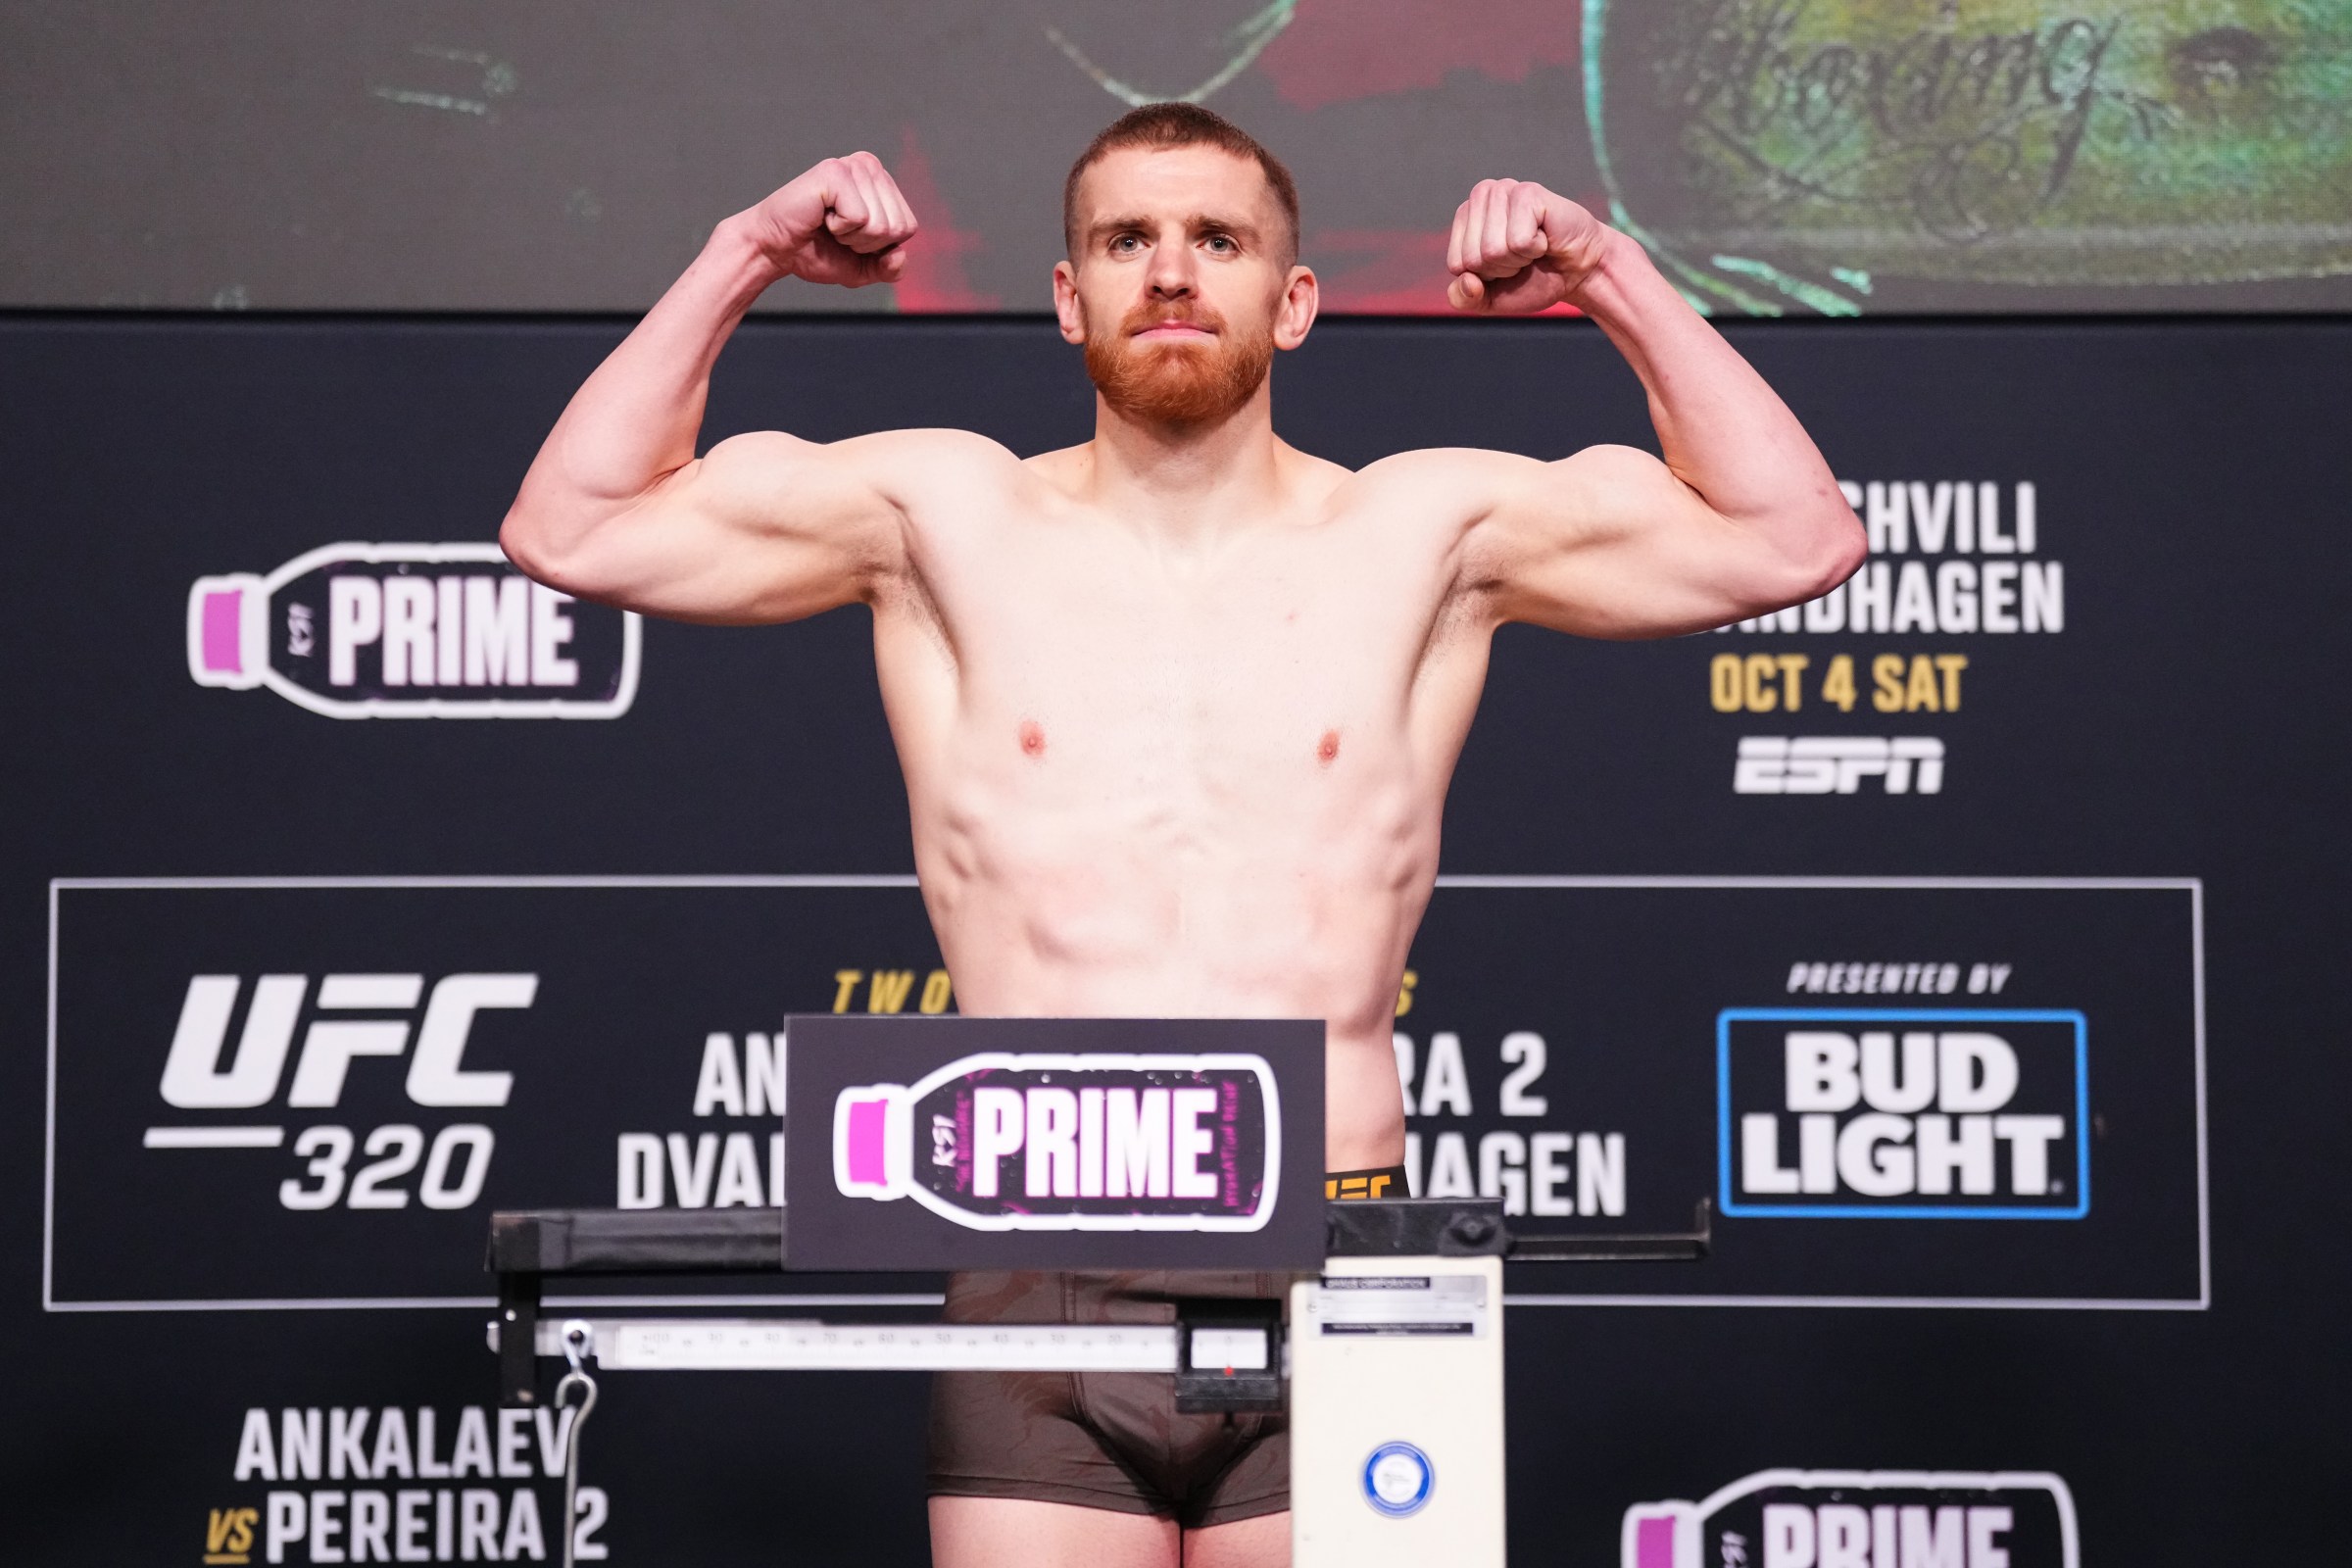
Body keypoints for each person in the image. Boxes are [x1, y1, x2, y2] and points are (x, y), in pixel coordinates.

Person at [502, 103, 1863, 1568]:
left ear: (1292, 306)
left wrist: (1605, 269)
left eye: (1216, 240)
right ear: (1067, 295)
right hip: (1037, 1258)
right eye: (1127, 239)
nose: (1170, 271)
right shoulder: (937, 518)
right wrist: (746, 249)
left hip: (1346, 1259)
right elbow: (569, 527)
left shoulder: (1425, 534)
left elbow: (1796, 535)